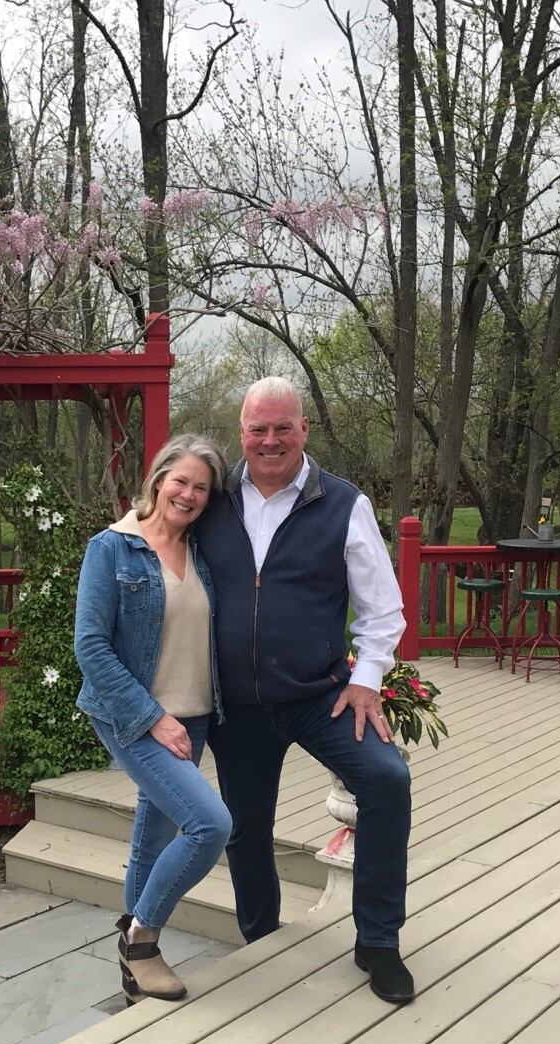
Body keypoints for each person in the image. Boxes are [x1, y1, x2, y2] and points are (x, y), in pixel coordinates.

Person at [195, 377, 415, 1004]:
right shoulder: (213, 500)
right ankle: (260, 937)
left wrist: (368, 680)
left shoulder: (343, 503)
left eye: (282, 428)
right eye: (257, 429)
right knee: (245, 827)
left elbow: (384, 608)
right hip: (235, 704)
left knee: (386, 782)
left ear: (303, 430)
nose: (270, 440)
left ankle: (378, 941)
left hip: (322, 696)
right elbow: (156, 536)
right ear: (241, 434)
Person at [75, 434, 232, 1003]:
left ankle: (131, 973)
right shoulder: (112, 548)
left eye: (201, 488)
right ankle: (140, 940)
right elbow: (90, 647)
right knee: (210, 825)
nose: (188, 495)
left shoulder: (201, 554)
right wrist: (153, 719)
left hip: (195, 715)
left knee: (154, 834)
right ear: (158, 479)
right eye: (181, 481)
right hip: (134, 717)